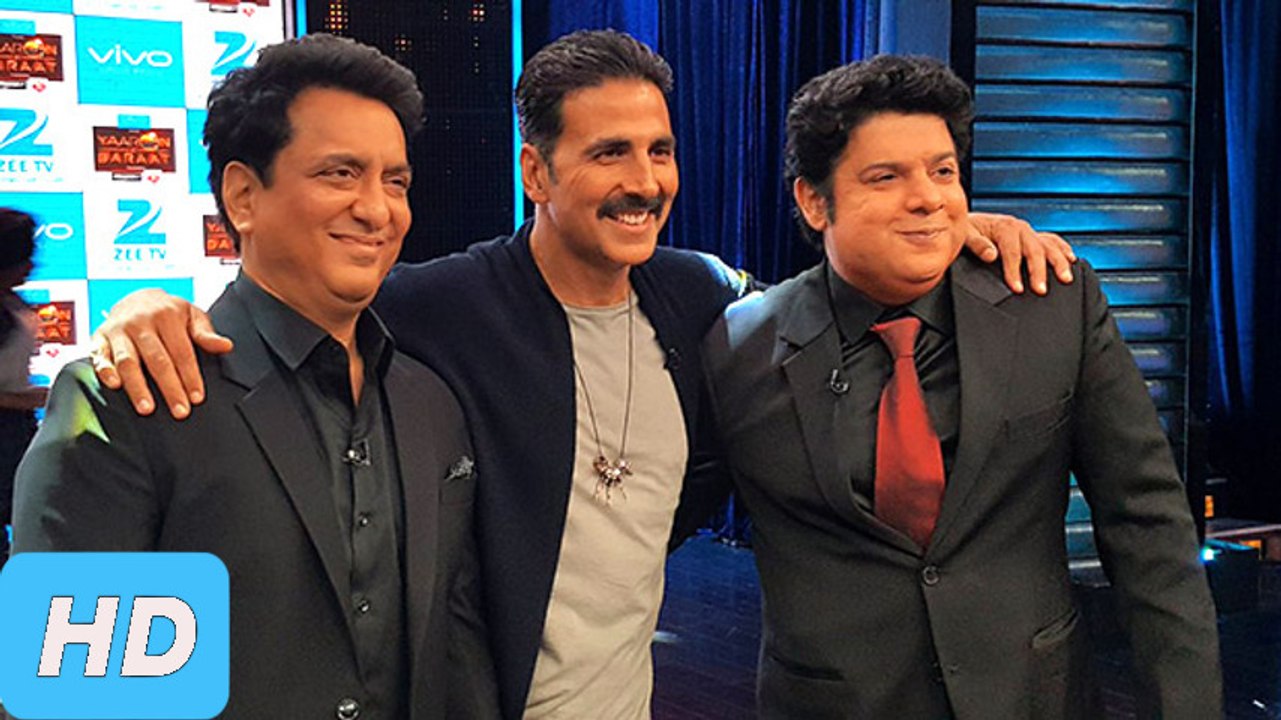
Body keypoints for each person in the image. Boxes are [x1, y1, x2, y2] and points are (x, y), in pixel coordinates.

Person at [85, 31, 1075, 718]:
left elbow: (833, 301)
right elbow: (297, 299)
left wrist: (957, 235)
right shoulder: (437, 306)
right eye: (608, 153)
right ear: (536, 173)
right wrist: (151, 311)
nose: (644, 181)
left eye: (660, 151)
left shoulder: (698, 296)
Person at [702, 55, 1221, 719]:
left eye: (942, 171)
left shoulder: (1053, 304)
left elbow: (1148, 529)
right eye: (886, 177)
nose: (928, 197)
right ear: (813, 200)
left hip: (1032, 699)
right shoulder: (740, 349)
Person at [12, 34, 497, 719]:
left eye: (395, 181)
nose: (377, 209)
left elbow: (456, 649)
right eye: (340, 174)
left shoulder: (430, 404)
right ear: (243, 195)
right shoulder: (132, 400)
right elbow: (72, 696)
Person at [0, 209, 45, 571]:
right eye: (23, 258)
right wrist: (27, 398)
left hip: (16, 432)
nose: (31, 266)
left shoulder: (11, 302)